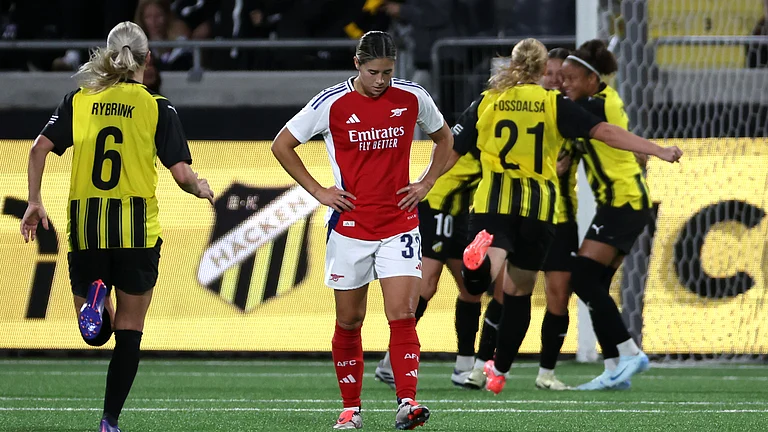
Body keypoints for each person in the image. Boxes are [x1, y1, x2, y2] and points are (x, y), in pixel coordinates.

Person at [455, 38, 682, 395]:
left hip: (563, 208)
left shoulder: (528, 102)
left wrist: (425, 183)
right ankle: (615, 359)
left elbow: (458, 146)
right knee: (555, 287)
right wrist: (653, 149)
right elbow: (593, 136)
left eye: (567, 77)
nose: (563, 82)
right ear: (539, 71)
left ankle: (566, 366)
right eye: (555, 75)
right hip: (550, 212)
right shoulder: (556, 106)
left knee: (561, 286)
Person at [20, 22, 213, 432]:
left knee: (95, 335)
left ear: (109, 56)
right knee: (129, 331)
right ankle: (109, 420)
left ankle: (96, 298)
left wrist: (35, 202)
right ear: (148, 59)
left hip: (87, 228)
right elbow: (181, 174)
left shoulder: (79, 99)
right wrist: (201, 188)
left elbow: (38, 147)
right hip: (136, 231)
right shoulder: (157, 107)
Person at [271, 31, 453, 430]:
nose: (381, 80)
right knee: (350, 321)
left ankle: (407, 402)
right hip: (350, 227)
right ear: (357, 64)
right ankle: (351, 408)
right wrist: (319, 190)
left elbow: (445, 139)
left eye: (388, 72)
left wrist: (425, 183)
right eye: (373, 72)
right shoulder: (331, 103)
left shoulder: (413, 97)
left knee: (402, 314)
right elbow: (282, 145)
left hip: (399, 223)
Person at [374, 90, 499, 390]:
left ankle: (464, 366)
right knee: (427, 282)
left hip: (460, 213)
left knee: (471, 288)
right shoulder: (485, 118)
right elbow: (450, 147)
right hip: (436, 204)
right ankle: (392, 360)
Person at [560, 39, 655, 390]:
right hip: (623, 202)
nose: (565, 85)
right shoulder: (598, 101)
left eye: (571, 79)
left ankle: (629, 353)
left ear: (590, 78)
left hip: (623, 203)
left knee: (583, 279)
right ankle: (614, 368)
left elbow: (590, 126)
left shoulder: (594, 104)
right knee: (594, 284)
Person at [536, 47, 577, 391]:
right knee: (505, 295)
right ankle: (482, 366)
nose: (555, 80)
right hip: (520, 213)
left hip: (561, 218)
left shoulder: (571, 114)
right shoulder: (522, 108)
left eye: (561, 75)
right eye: (549, 73)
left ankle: (546, 372)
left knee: (559, 297)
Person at [134, 0, 193, 70]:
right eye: (148, 17)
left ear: (167, 16)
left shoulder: (180, 43)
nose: (153, 22)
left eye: (159, 16)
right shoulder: (137, 46)